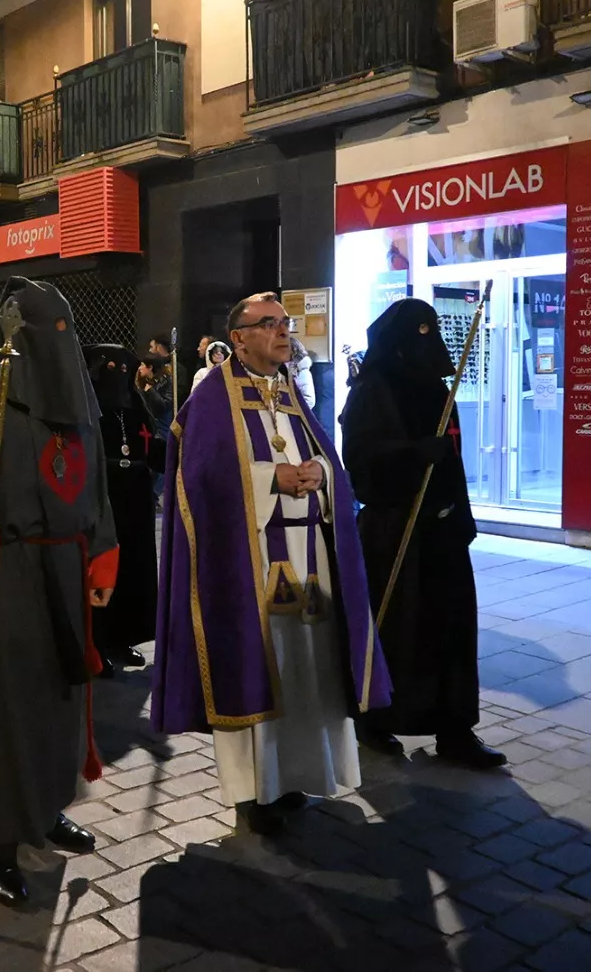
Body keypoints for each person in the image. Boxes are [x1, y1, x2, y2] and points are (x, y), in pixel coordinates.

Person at [153, 292, 391, 836]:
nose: (284, 332)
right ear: (238, 337)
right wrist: (269, 479)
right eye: (269, 324)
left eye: (285, 323)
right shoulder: (212, 398)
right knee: (256, 668)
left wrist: (320, 475)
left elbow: (329, 461)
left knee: (308, 669)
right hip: (249, 562)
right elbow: (197, 483)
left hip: (310, 558)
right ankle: (253, 794)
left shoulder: (288, 391)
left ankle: (297, 776)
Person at [0, 276, 118, 906]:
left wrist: (101, 560)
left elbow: (97, 493)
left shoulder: (79, 404)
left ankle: (47, 809)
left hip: (66, 568)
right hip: (8, 573)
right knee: (8, 710)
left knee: (60, 700)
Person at [340, 298, 506, 769]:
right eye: (416, 331)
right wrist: (413, 453)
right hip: (395, 528)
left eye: (431, 329)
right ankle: (376, 718)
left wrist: (460, 516)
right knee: (398, 629)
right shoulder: (371, 389)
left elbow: (454, 459)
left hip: (442, 527)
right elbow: (359, 456)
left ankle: (456, 729)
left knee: (452, 629)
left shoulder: (438, 389)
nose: (425, 340)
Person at [84, 343, 165, 676]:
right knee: (103, 571)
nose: (119, 376)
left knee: (133, 571)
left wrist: (178, 448)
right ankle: (95, 645)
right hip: (103, 500)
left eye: (123, 370)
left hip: (136, 502)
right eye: (111, 369)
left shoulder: (135, 407)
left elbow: (149, 448)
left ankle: (122, 639)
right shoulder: (85, 412)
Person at [287, 336, 317, 412]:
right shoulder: (279, 366)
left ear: (293, 350)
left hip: (294, 413)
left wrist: (293, 412)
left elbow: (309, 400)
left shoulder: (302, 371)